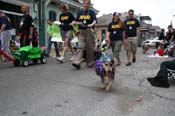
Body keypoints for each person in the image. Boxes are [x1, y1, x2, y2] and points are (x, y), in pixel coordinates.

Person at [71, 0, 97, 69]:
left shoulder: (92, 12)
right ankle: (76, 62)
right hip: (81, 31)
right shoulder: (80, 12)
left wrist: (91, 24)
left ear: (89, 4)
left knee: (90, 47)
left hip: (89, 31)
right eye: (85, 3)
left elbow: (95, 20)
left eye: (88, 4)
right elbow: (76, 20)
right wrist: (74, 22)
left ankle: (90, 63)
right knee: (80, 46)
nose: (86, 5)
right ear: (83, 4)